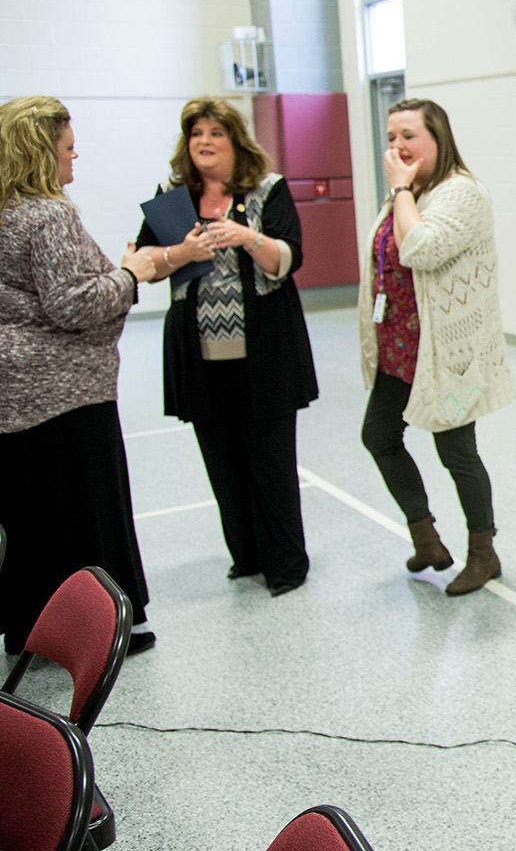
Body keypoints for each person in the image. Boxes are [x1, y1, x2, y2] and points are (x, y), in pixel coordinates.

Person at [135, 98, 318, 597]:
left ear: (236, 140)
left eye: (216, 132)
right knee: (223, 463)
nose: (205, 142)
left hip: (266, 355)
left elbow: (289, 257)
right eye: (196, 133)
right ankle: (247, 556)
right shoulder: (172, 197)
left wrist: (246, 237)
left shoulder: (268, 189)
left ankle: (286, 564)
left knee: (272, 464)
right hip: (199, 359)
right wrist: (181, 252)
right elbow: (144, 261)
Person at [0, 96, 158, 653]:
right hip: (66, 394)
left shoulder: (4, 211)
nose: (76, 155)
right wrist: (131, 274)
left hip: (14, 397)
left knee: (31, 521)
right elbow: (73, 304)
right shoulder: (48, 214)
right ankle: (102, 632)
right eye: (68, 146)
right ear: (43, 153)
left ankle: (30, 630)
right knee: (89, 516)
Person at [358, 98, 513, 596]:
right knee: (379, 436)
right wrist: (403, 192)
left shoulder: (458, 194)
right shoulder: (408, 193)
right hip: (399, 350)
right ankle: (427, 540)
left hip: (449, 357)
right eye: (390, 138)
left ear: (437, 139)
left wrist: (401, 188)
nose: (397, 146)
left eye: (408, 135)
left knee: (456, 453)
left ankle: (483, 552)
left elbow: (419, 248)